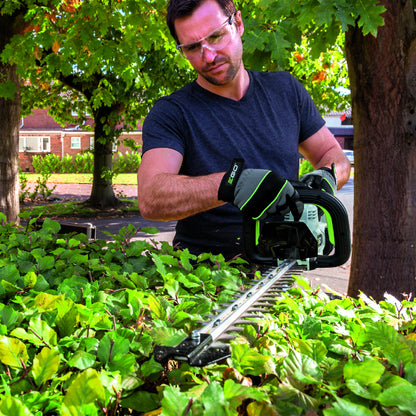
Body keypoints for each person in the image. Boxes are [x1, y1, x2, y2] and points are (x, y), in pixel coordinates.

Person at [137, 0, 351, 261]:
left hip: (283, 262)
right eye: (193, 47)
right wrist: (231, 184)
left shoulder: (286, 90)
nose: (209, 56)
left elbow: (332, 153)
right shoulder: (172, 112)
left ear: (238, 23)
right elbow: (151, 197)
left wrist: (327, 176)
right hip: (201, 274)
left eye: (215, 36)